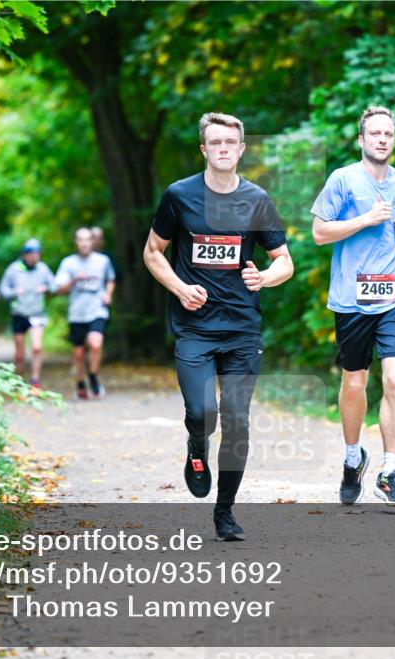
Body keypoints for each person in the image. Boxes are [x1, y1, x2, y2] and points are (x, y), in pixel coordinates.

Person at [144, 112, 294, 541]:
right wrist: (179, 287)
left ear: (241, 149)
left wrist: (264, 277)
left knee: (238, 420)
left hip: (243, 329)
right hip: (195, 328)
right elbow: (153, 252)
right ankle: (196, 444)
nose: (224, 148)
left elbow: (284, 260)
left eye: (231, 142)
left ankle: (224, 512)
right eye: (216, 142)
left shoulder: (257, 199)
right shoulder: (179, 196)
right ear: (204, 149)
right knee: (202, 413)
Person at [310, 106, 395, 507]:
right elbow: (320, 232)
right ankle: (352, 457)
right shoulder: (342, 179)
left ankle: (390, 472)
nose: (381, 139)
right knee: (354, 382)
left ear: (393, 140)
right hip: (352, 298)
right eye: (374, 133)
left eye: (388, 134)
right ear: (361, 140)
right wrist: (364, 219)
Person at [55, 227, 116, 399]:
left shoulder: (103, 261)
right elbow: (59, 289)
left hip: (97, 310)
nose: (84, 243)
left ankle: (94, 376)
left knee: (95, 343)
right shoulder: (68, 263)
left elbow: (110, 279)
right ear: (76, 242)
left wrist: (108, 294)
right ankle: (80, 383)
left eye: (88, 239)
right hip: (77, 313)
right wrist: (74, 280)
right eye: (81, 239)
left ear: (93, 241)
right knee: (79, 353)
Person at [0, 238, 55, 389]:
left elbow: (54, 285)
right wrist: (14, 292)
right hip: (19, 313)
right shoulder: (14, 269)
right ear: (25, 255)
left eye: (37, 253)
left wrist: (46, 288)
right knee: (20, 353)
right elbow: (3, 290)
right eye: (31, 254)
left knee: (37, 347)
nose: (35, 256)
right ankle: (19, 382)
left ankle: (35, 381)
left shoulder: (43, 268)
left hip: (37, 313)